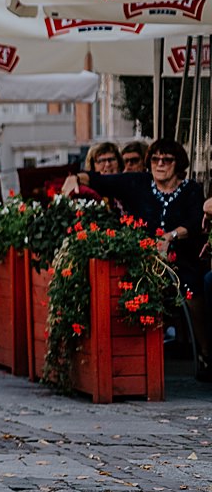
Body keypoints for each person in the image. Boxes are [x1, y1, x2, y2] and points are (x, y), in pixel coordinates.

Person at [66, 138, 209, 381]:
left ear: (178, 163)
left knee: (191, 291)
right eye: (155, 159)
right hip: (143, 262)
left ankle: (206, 354)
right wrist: (76, 179)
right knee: (122, 288)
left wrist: (171, 236)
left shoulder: (190, 190)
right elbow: (100, 180)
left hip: (180, 262)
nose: (160, 164)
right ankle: (128, 362)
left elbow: (197, 223)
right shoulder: (138, 182)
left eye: (167, 160)